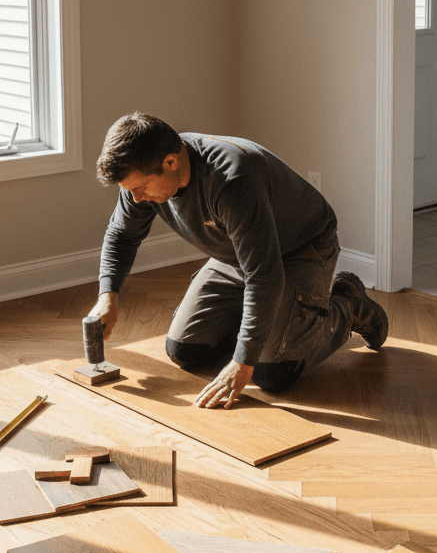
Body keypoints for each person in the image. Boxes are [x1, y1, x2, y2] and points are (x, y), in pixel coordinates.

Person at [89, 113, 389, 409]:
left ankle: (348, 303)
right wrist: (108, 296)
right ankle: (270, 322)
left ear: (170, 163)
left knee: (273, 372)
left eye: (140, 190)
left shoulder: (232, 179)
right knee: (184, 350)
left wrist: (243, 363)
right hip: (237, 255)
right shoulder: (141, 178)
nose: (137, 199)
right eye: (131, 191)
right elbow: (122, 235)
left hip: (300, 250)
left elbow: (265, 276)